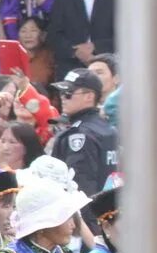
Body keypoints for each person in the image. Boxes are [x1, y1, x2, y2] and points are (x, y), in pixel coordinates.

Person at [49, 70, 118, 205]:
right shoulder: (108, 129)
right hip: (109, 213)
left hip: (88, 215)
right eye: (61, 93)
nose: (63, 97)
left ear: (89, 96)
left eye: (68, 93)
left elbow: (80, 187)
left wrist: (82, 224)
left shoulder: (80, 134)